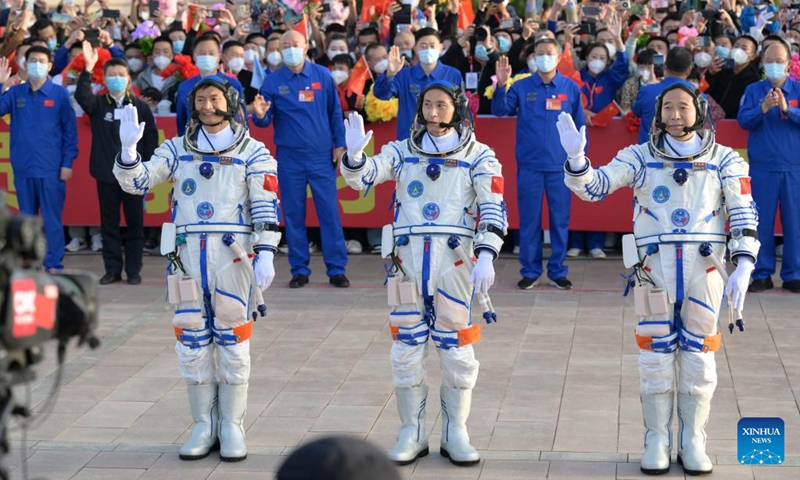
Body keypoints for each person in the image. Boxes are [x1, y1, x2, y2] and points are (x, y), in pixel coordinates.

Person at [557, 83, 759, 475]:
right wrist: (577, 159)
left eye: (683, 107)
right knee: (654, 356)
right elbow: (595, 188)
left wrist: (745, 263)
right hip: (653, 271)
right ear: (658, 113)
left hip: (705, 270)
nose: (675, 115)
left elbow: (743, 211)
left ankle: (693, 439)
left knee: (699, 357)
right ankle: (656, 439)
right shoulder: (640, 157)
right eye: (667, 107)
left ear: (699, 112)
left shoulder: (724, 160)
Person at [114, 76, 281, 462]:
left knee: (232, 339)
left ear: (231, 102)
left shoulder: (253, 152)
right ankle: (203, 424)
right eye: (201, 99)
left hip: (232, 257)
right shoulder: (176, 149)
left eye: (215, 98)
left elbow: (266, 204)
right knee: (191, 340)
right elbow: (138, 183)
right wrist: (128, 151)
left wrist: (266, 253)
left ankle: (232, 425)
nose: (207, 106)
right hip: (187, 258)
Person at [340, 81, 507, 467]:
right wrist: (355, 156)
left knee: (457, 348)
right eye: (427, 105)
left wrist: (486, 254)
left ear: (457, 110)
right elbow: (364, 178)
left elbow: (494, 206)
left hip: (455, 264)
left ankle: (455, 432)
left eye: (441, 106)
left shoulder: (479, 156)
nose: (433, 113)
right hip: (406, 264)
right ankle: (411, 432)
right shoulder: (402, 152)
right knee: (406, 348)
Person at [253, 30, 350, 289]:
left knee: (329, 213)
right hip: (289, 158)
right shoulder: (272, 81)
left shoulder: (322, 75)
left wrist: (340, 145)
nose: (291, 49)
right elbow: (263, 120)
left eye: (295, 44)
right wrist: (260, 115)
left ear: (306, 46)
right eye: (285, 45)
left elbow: (335, 112)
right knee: (293, 215)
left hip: (321, 157)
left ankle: (336, 269)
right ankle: (299, 269)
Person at [492, 37, 585, 290]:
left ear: (559, 56)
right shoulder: (521, 86)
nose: (544, 57)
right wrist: (502, 84)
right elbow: (501, 110)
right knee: (530, 220)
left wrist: (578, 160)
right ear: (532, 57)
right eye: (539, 53)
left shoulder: (570, 88)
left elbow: (580, 127)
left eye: (549, 53)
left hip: (560, 167)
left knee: (560, 221)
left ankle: (557, 271)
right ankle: (530, 271)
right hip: (530, 165)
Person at [76, 44, 159, 285]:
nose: (117, 79)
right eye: (111, 75)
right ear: (104, 79)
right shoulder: (98, 105)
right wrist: (88, 68)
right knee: (109, 225)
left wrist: (147, 169)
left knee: (135, 224)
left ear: (129, 79)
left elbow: (151, 139)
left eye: (121, 75)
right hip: (106, 174)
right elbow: (81, 96)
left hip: (133, 176)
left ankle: (133, 270)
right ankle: (112, 270)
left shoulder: (140, 107)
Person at [0, 47, 77, 272]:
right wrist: (1, 84)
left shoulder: (59, 94)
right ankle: (28, 264)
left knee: (52, 219)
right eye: (33, 60)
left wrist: (67, 163)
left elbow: (70, 132)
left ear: (50, 66)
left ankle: (53, 263)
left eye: (42, 61)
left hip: (51, 168)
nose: (37, 65)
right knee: (26, 220)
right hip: (23, 167)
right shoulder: (16, 93)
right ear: (25, 65)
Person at [738, 41, 800, 293]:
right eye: (770, 61)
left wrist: (787, 109)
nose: (774, 65)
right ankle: (762, 273)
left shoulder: (797, 89)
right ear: (762, 63)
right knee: (761, 223)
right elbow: (743, 120)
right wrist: (762, 109)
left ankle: (794, 274)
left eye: (779, 61)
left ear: (788, 64)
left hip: (794, 167)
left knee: (794, 223)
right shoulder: (753, 90)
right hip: (762, 168)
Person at [373, 27, 463, 140]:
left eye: (432, 46)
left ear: (440, 47)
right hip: (410, 139)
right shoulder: (404, 75)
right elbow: (381, 94)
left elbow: (460, 109)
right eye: (423, 46)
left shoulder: (453, 74)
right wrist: (390, 74)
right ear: (415, 49)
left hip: (444, 139)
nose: (428, 50)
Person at [175, 32, 245, 135]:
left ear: (219, 56)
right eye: (202, 53)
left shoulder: (233, 84)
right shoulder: (184, 87)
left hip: (229, 141)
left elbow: (242, 119)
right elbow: (181, 122)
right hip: (194, 141)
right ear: (194, 56)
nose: (207, 57)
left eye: (211, 53)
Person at [632, 46, 694, 144]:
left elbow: (636, 111)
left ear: (665, 66)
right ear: (689, 70)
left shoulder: (646, 91)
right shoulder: (698, 95)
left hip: (650, 149)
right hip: (684, 151)